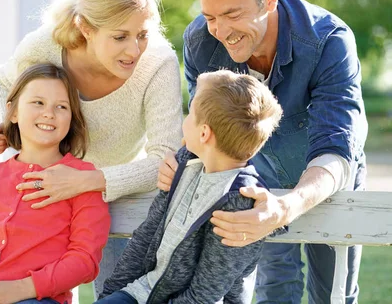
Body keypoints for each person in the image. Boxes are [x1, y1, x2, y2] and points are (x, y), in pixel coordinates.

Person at [157, 0, 369, 303]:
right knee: (276, 289)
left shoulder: (329, 41)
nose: (221, 31)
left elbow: (336, 147)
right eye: (211, 17)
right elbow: (208, 134)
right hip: (260, 181)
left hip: (329, 180)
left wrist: (287, 206)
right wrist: (181, 162)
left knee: (332, 293)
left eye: (233, 14)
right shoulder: (200, 43)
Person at [0, 0, 183, 297]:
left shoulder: (158, 64)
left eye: (142, 34)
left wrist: (88, 181)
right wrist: (5, 125)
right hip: (47, 188)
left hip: (116, 190)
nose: (134, 50)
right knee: (44, 291)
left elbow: (165, 159)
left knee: (116, 292)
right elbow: (3, 84)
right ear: (85, 28)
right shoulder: (43, 47)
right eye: (120, 37)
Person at [96, 70, 285, 304]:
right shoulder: (184, 162)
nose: (185, 119)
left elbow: (206, 293)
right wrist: (110, 295)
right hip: (143, 292)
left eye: (190, 112)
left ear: (204, 133)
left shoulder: (238, 201)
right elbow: (146, 236)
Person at [0, 64, 111, 304]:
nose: (49, 113)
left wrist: (23, 288)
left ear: (71, 118)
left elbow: (84, 261)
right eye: (38, 102)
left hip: (37, 298)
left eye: (61, 106)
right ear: (13, 112)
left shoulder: (82, 178)